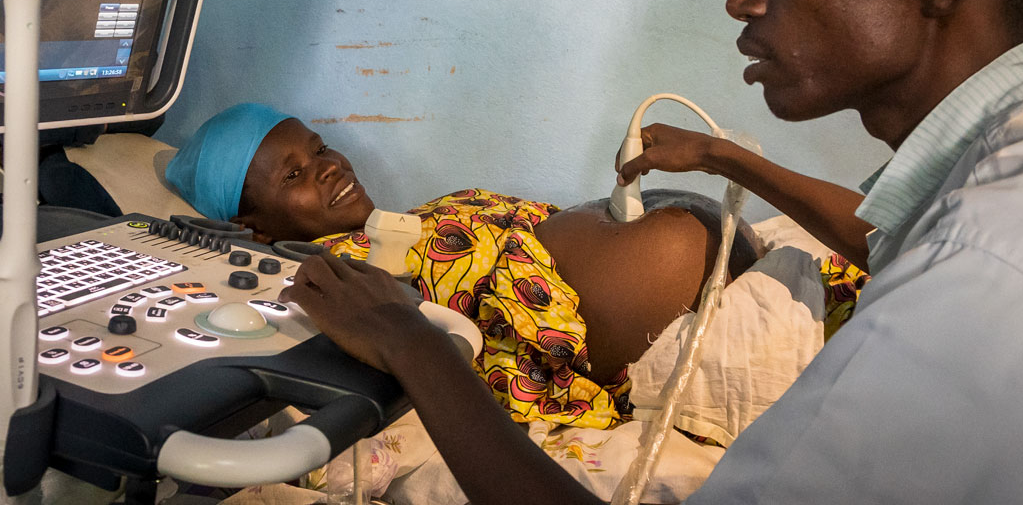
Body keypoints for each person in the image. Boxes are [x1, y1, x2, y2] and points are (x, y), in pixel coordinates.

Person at [280, 0, 1023, 503]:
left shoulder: (985, 292)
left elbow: (953, 261)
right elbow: (897, 233)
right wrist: (727, 160)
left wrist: (413, 345)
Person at [166, 102, 814, 433]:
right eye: (295, 175)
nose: (329, 166)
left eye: (320, 148)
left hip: (709, 263)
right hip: (622, 316)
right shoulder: (330, 277)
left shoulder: (413, 217)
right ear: (251, 226)